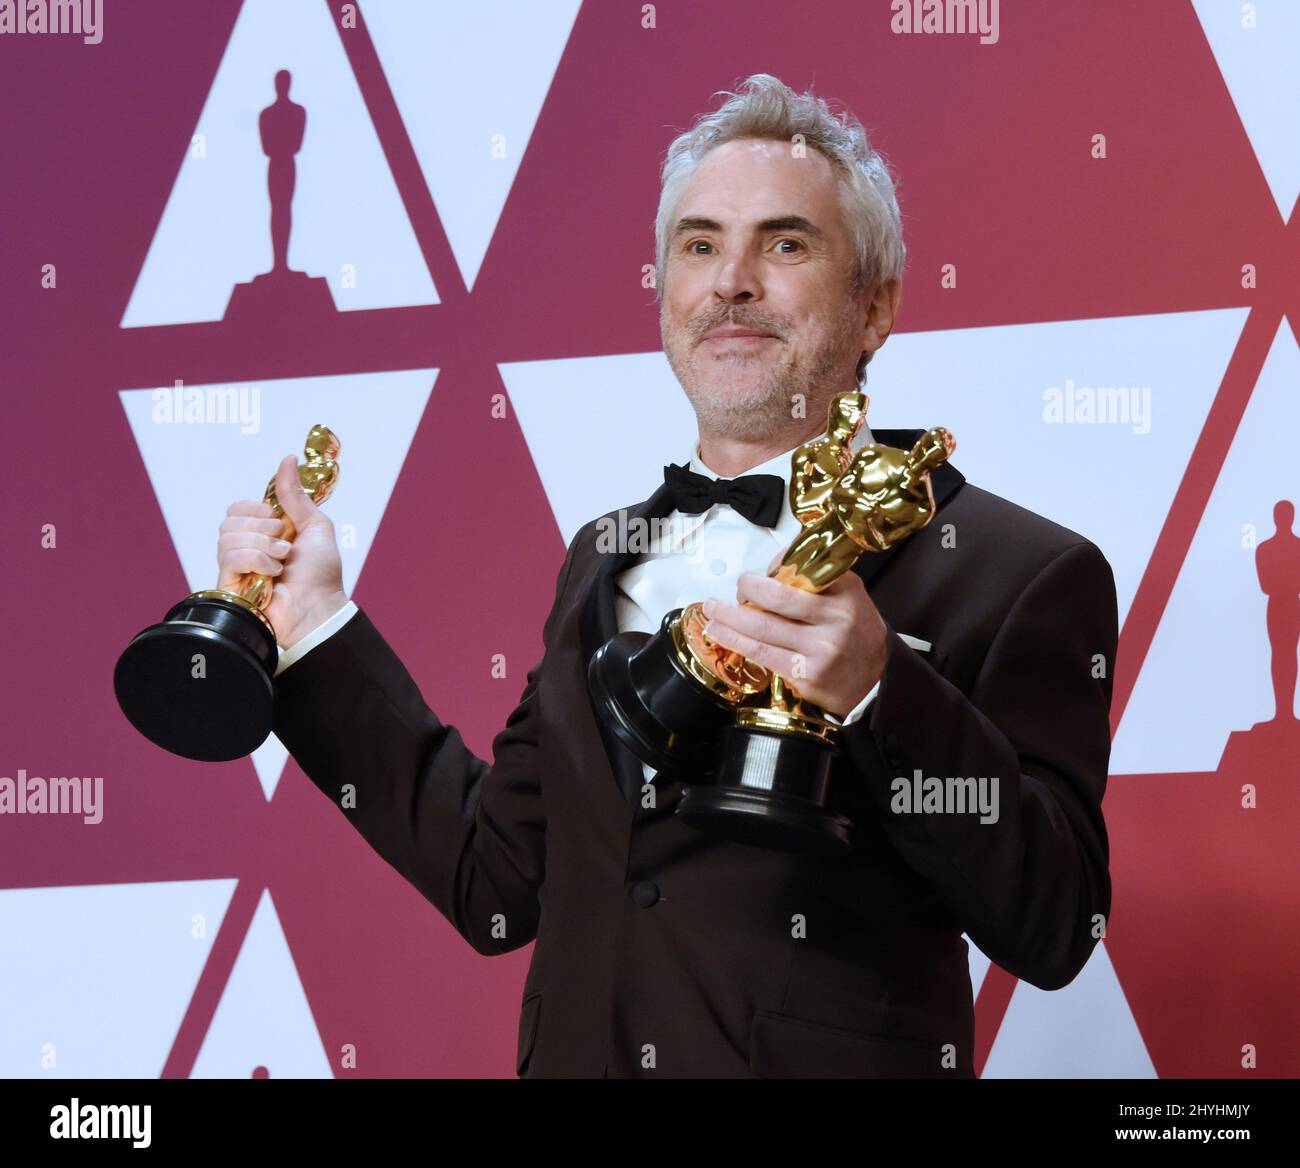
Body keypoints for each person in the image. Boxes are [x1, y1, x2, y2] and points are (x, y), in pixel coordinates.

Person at [216, 74, 1117, 1078]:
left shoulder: (1019, 570)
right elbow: (495, 880)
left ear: (875, 306)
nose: (731, 280)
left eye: (784, 243)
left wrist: (879, 693)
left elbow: (1055, 925)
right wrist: (314, 628)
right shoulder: (601, 557)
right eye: (698, 245)